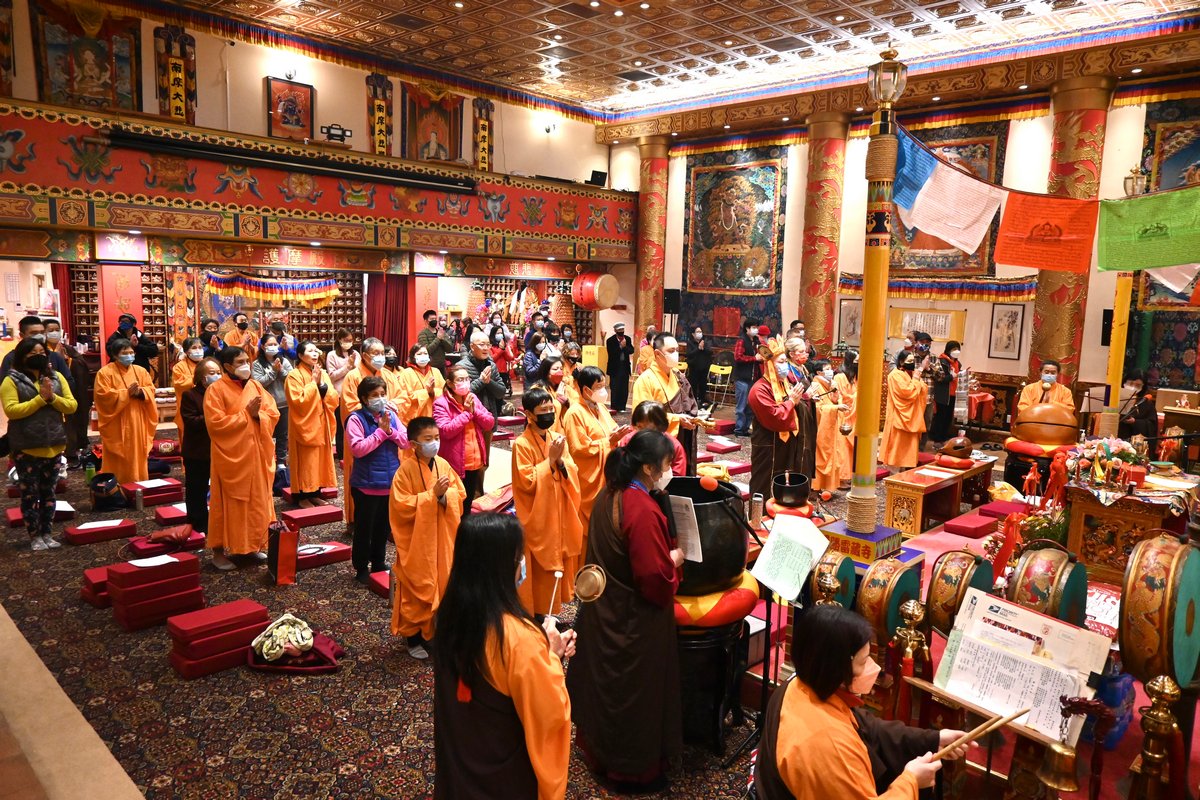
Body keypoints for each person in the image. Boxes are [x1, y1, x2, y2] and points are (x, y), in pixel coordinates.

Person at [567, 430, 683, 793]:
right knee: (631, 695)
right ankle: (630, 772)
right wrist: (674, 561)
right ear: (648, 467)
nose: (668, 470)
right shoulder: (640, 509)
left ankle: (598, 752)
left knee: (603, 685)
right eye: (666, 464)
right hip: (632, 620)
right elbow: (654, 580)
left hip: (603, 610)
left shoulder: (611, 492)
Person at [753, 604, 968, 799]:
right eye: (864, 662)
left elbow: (867, 727)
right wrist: (911, 781)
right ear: (837, 669)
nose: (873, 668)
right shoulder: (826, 745)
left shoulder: (800, 684)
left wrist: (932, 739)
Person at [433, 513, 574, 800]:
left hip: (459, 762)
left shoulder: (447, 616)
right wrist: (552, 657)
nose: (522, 564)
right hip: (503, 779)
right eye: (519, 557)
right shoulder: (519, 638)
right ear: (503, 567)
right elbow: (549, 715)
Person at [390, 416, 466, 660]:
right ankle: (413, 637)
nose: (434, 442)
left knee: (445, 584)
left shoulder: (443, 464)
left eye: (436, 437)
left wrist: (444, 496)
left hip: (443, 538)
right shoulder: (405, 471)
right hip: (418, 542)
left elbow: (459, 494)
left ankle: (436, 633)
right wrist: (431, 496)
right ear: (414, 444)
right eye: (428, 439)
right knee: (418, 587)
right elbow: (400, 506)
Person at [204, 346, 280, 571]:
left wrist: (258, 416)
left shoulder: (255, 386)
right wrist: (246, 415)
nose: (246, 365)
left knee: (257, 502)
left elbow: (273, 413)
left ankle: (251, 545)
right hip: (231, 456)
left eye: (247, 360)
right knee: (226, 504)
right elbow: (215, 424)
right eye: (240, 362)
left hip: (256, 454)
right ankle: (218, 553)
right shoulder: (215, 390)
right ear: (227, 366)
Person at [511, 387, 583, 617]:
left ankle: (552, 609)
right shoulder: (522, 444)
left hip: (558, 508)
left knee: (559, 556)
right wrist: (549, 462)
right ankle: (535, 612)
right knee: (538, 564)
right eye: (543, 411)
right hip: (537, 514)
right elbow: (526, 481)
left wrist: (560, 462)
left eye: (551, 409)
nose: (549, 414)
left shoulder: (556, 438)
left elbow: (571, 468)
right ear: (529, 414)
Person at [1, 338, 77, 550]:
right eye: (32, 353)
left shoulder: (56, 377)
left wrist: (52, 398)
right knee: (30, 495)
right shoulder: (11, 380)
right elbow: (12, 410)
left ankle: (47, 533)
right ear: (22, 357)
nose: (38, 357)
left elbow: (71, 406)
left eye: (42, 353)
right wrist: (40, 400)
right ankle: (34, 536)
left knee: (49, 494)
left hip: (54, 444)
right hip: (27, 446)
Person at [347, 375, 408, 583]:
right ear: (365, 398)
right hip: (366, 484)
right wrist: (381, 433)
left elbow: (406, 441)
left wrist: (390, 431)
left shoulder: (391, 415)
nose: (380, 398)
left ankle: (378, 562)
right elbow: (358, 449)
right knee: (364, 529)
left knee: (383, 527)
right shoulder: (356, 419)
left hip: (390, 483)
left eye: (383, 394)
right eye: (375, 395)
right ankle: (361, 567)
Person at [342, 337, 405, 530]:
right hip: (365, 431)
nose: (381, 357)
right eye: (375, 353)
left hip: (389, 432)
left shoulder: (388, 375)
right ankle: (354, 520)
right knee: (362, 480)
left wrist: (392, 405)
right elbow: (351, 405)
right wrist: (376, 416)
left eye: (382, 353)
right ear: (364, 355)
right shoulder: (353, 376)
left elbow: (403, 396)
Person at [562, 366, 629, 532]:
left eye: (604, 386)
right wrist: (609, 442)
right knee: (590, 524)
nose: (603, 391)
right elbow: (579, 448)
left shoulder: (600, 407)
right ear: (586, 389)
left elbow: (612, 429)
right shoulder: (574, 413)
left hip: (608, 471)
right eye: (599, 387)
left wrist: (618, 436)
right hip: (588, 478)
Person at [748, 338, 807, 500]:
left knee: (783, 479)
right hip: (768, 444)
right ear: (770, 365)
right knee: (763, 482)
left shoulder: (784, 384)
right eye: (781, 362)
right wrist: (791, 401)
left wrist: (801, 401)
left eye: (786, 362)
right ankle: (759, 514)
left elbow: (795, 407)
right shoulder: (759, 389)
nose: (785, 366)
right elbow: (775, 417)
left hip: (786, 444)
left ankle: (781, 510)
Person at [93, 337, 158, 484]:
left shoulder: (141, 371)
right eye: (124, 353)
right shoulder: (105, 373)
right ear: (115, 355)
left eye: (131, 352)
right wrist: (127, 394)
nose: (129, 355)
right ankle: (116, 487)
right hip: (116, 421)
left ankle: (139, 484)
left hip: (137, 419)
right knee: (118, 456)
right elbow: (102, 396)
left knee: (138, 452)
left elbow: (151, 390)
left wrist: (140, 392)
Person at [434, 364, 495, 514]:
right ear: (449, 383)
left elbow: (489, 423)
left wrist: (474, 412)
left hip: (474, 461)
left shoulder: (472, 397)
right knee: (454, 505)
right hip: (454, 463)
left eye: (467, 379)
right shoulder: (441, 403)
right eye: (460, 379)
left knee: (468, 503)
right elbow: (446, 431)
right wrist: (467, 414)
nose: (465, 382)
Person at [285, 340, 339, 508]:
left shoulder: (322, 373)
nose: (315, 353)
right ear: (300, 355)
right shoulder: (293, 375)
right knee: (306, 461)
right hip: (305, 424)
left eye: (316, 350)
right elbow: (298, 401)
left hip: (321, 421)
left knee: (319, 460)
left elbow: (333, 397)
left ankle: (316, 493)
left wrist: (321, 384)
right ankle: (302, 496)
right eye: (310, 351)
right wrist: (313, 384)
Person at [179, 357, 220, 539]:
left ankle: (217, 520)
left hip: (219, 449)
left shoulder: (221, 393)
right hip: (198, 450)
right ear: (202, 378)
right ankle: (197, 522)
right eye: (212, 373)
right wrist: (214, 416)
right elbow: (191, 421)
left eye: (219, 372)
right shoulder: (190, 395)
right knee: (197, 489)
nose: (217, 376)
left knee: (220, 488)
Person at [632, 333, 701, 438]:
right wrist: (677, 420)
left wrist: (693, 418)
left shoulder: (678, 375)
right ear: (657, 354)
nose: (676, 354)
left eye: (677, 350)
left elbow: (690, 402)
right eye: (671, 351)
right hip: (658, 440)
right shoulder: (645, 380)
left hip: (682, 435)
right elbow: (642, 417)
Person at [41, 318, 89, 464]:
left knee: (71, 422)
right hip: (48, 394)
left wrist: (68, 360)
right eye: (50, 330)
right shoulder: (40, 351)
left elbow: (82, 365)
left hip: (69, 391)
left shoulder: (67, 349)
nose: (54, 333)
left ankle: (71, 451)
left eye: (57, 330)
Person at [880, 351, 929, 470]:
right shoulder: (895, 375)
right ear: (901, 362)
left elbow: (922, 388)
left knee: (909, 446)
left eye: (913, 361)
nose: (912, 363)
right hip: (899, 414)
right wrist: (916, 379)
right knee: (896, 446)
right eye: (909, 361)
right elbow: (907, 393)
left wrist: (917, 378)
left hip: (912, 416)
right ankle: (894, 471)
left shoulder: (910, 373)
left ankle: (905, 469)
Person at [458, 331, 505, 451]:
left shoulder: (491, 365)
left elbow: (501, 392)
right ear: (472, 346)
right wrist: (481, 381)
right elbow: (461, 393)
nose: (485, 348)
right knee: (470, 456)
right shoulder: (461, 367)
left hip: (488, 417)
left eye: (488, 345)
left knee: (485, 458)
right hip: (469, 419)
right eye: (481, 344)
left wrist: (489, 382)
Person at [251, 333, 293, 470]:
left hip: (284, 404)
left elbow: (291, 379)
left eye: (275, 344)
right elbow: (259, 383)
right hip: (266, 406)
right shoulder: (257, 364)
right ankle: (266, 460)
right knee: (267, 434)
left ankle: (281, 461)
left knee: (283, 435)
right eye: (270, 344)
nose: (273, 347)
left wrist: (281, 370)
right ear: (263, 347)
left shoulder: (284, 361)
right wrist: (273, 372)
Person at [0, 316, 73, 390]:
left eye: (42, 332)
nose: (40, 336)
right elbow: (4, 387)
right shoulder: (11, 358)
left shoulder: (54, 356)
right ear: (22, 335)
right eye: (34, 333)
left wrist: (52, 390)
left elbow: (69, 382)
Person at [810, 359, 848, 493]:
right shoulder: (815, 385)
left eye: (831, 368)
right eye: (827, 369)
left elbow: (835, 400)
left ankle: (827, 487)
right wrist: (835, 407)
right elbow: (817, 408)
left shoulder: (830, 384)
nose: (830, 371)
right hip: (821, 427)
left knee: (833, 454)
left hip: (831, 426)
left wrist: (836, 400)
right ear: (818, 372)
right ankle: (816, 487)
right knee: (821, 456)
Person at [620, 400, 687, 476]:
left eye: (648, 428)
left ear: (660, 426)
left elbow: (678, 476)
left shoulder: (674, 446)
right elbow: (621, 470)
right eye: (639, 427)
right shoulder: (628, 441)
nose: (643, 432)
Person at [785, 336, 818, 480]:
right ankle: (797, 482)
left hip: (807, 411)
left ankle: (806, 481)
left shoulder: (802, 368)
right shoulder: (787, 371)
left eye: (805, 351)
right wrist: (806, 395)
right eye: (801, 352)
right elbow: (787, 395)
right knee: (799, 449)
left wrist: (812, 396)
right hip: (796, 414)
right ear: (791, 354)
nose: (805, 354)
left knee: (808, 446)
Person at [326, 328, 359, 460]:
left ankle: (354, 452)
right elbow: (332, 376)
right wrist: (347, 367)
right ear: (339, 340)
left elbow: (359, 373)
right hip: (339, 395)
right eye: (346, 340)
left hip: (354, 395)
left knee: (354, 424)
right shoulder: (332, 355)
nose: (348, 343)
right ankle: (341, 456)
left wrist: (353, 367)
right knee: (340, 427)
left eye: (351, 340)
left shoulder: (356, 354)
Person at [397, 343, 445, 424]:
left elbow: (445, 392)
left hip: (436, 416)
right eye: (419, 354)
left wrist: (432, 392)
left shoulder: (436, 371)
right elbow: (405, 397)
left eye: (425, 353)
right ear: (413, 357)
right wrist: (426, 392)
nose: (423, 356)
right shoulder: (406, 373)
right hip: (415, 418)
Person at [733, 317, 763, 436]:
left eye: (757, 327)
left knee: (751, 405)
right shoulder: (741, 340)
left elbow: (761, 356)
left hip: (754, 378)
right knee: (741, 406)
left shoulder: (757, 341)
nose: (756, 330)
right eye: (754, 327)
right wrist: (754, 358)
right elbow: (738, 357)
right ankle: (739, 429)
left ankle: (745, 428)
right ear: (747, 328)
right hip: (742, 378)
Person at [930, 341, 963, 445]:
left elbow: (958, 375)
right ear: (948, 350)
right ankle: (937, 439)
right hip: (943, 394)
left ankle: (944, 438)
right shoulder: (942, 361)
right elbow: (940, 378)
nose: (956, 351)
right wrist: (951, 376)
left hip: (953, 394)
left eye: (958, 349)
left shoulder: (957, 363)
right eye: (954, 349)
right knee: (941, 417)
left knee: (948, 418)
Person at [837, 352, 859, 489]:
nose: (858, 364)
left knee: (853, 449)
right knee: (843, 449)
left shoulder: (855, 376)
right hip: (844, 415)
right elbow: (841, 396)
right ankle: (841, 478)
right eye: (856, 361)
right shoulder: (840, 376)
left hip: (855, 414)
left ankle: (849, 475)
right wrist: (857, 396)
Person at [1119, 371, 1158, 443]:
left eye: (1138, 385)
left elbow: (1151, 425)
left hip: (1134, 441)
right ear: (1124, 382)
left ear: (1143, 387)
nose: (1133, 387)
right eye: (1130, 383)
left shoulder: (1145, 402)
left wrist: (1135, 422)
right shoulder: (1115, 398)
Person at [605, 322, 635, 413]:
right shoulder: (610, 340)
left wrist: (625, 347)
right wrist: (620, 347)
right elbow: (611, 353)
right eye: (619, 330)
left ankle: (622, 407)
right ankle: (614, 406)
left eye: (622, 330)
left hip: (624, 367)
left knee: (624, 388)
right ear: (615, 330)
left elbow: (631, 350)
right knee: (615, 388)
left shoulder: (627, 339)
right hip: (614, 368)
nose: (621, 332)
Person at [416, 309, 452, 375]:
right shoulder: (423, 334)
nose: (434, 320)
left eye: (435, 319)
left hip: (442, 366)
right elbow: (427, 351)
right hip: (429, 367)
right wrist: (438, 339)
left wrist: (442, 339)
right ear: (426, 321)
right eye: (432, 319)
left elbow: (449, 349)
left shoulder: (441, 332)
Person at [686, 325, 713, 408]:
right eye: (697, 332)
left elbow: (710, 352)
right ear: (693, 334)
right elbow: (689, 354)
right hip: (694, 368)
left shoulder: (705, 341)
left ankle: (702, 402)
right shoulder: (690, 343)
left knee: (703, 386)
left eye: (700, 332)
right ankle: (693, 403)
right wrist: (698, 348)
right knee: (693, 386)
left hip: (704, 368)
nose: (699, 333)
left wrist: (703, 348)